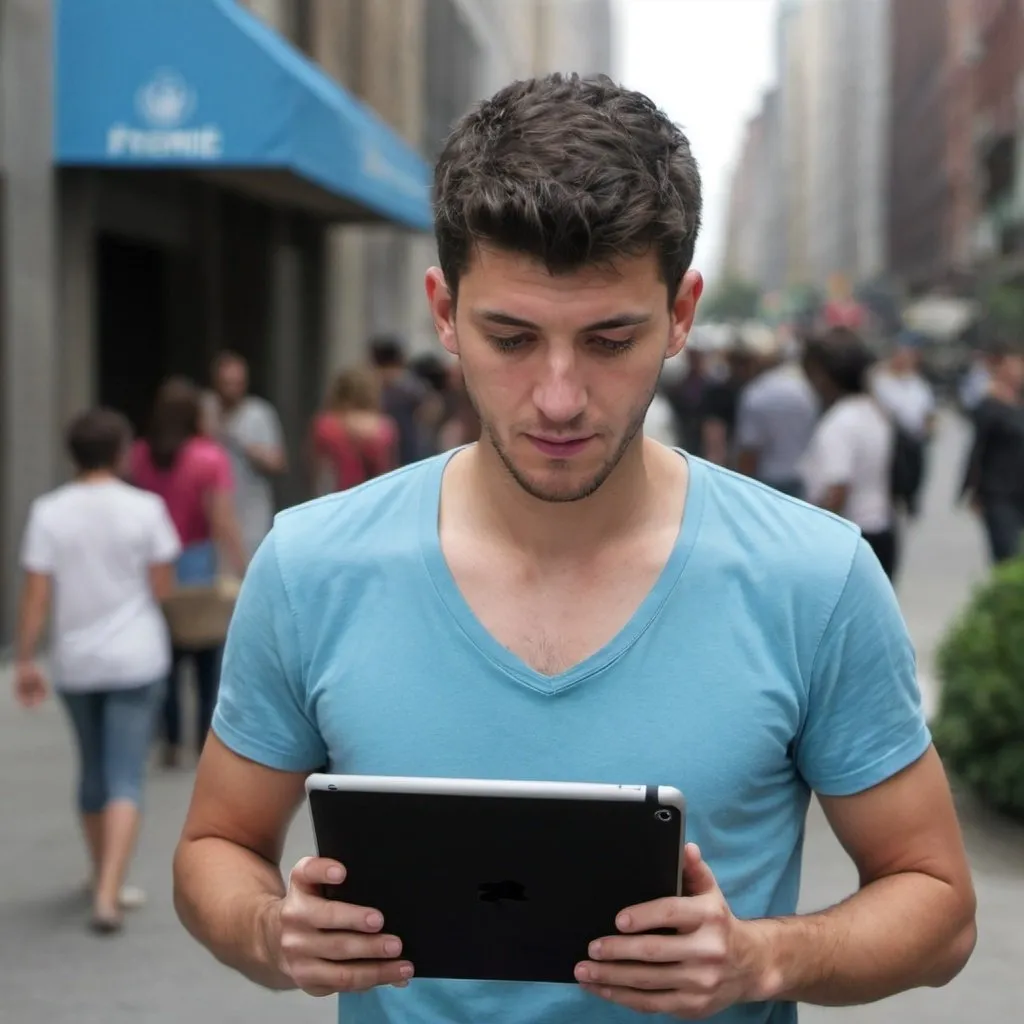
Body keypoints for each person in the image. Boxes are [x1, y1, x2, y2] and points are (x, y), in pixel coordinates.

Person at [173, 74, 975, 1024]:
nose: (558, 398)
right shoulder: (312, 566)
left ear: (681, 314)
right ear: (443, 311)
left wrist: (761, 957)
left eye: (608, 339)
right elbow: (212, 849)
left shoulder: (814, 576)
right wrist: (274, 933)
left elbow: (940, 907)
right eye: (510, 338)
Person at [15, 408, 181, 933]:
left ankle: (97, 874)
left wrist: (24, 660)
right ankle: (110, 890)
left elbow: (37, 595)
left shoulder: (48, 512)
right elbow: (162, 587)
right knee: (125, 774)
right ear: (120, 452)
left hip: (77, 660)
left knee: (91, 771)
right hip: (136, 654)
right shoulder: (146, 508)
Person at [131, 378, 248, 768]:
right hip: (197, 561)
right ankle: (204, 739)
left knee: (165, 656)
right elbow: (222, 519)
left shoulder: (140, 455)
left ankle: (169, 739)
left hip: (152, 566)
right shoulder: (209, 456)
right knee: (206, 658)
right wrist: (242, 564)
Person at [799, 330, 899, 579]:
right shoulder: (875, 411)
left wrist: (808, 536)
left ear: (821, 375)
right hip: (881, 530)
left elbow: (837, 490)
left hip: (849, 538)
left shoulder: (839, 423)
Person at [206, 351, 287, 559]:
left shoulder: (259, 413)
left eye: (238, 383)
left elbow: (279, 462)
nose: (233, 389)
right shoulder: (205, 410)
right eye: (227, 383)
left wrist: (252, 450)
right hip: (211, 515)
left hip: (251, 514)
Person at [959, 340, 1024, 563]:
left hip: (1020, 487)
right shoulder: (989, 405)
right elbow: (978, 448)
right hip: (998, 490)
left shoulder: (1019, 401)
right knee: (1006, 551)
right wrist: (971, 489)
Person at [733, 333, 819, 499]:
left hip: (768, 482)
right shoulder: (804, 388)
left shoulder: (755, 393)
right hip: (802, 478)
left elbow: (750, 450)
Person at [308, 367, 398, 494]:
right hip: (373, 499)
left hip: (336, 499)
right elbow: (389, 471)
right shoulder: (385, 428)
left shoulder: (325, 425)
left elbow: (316, 471)